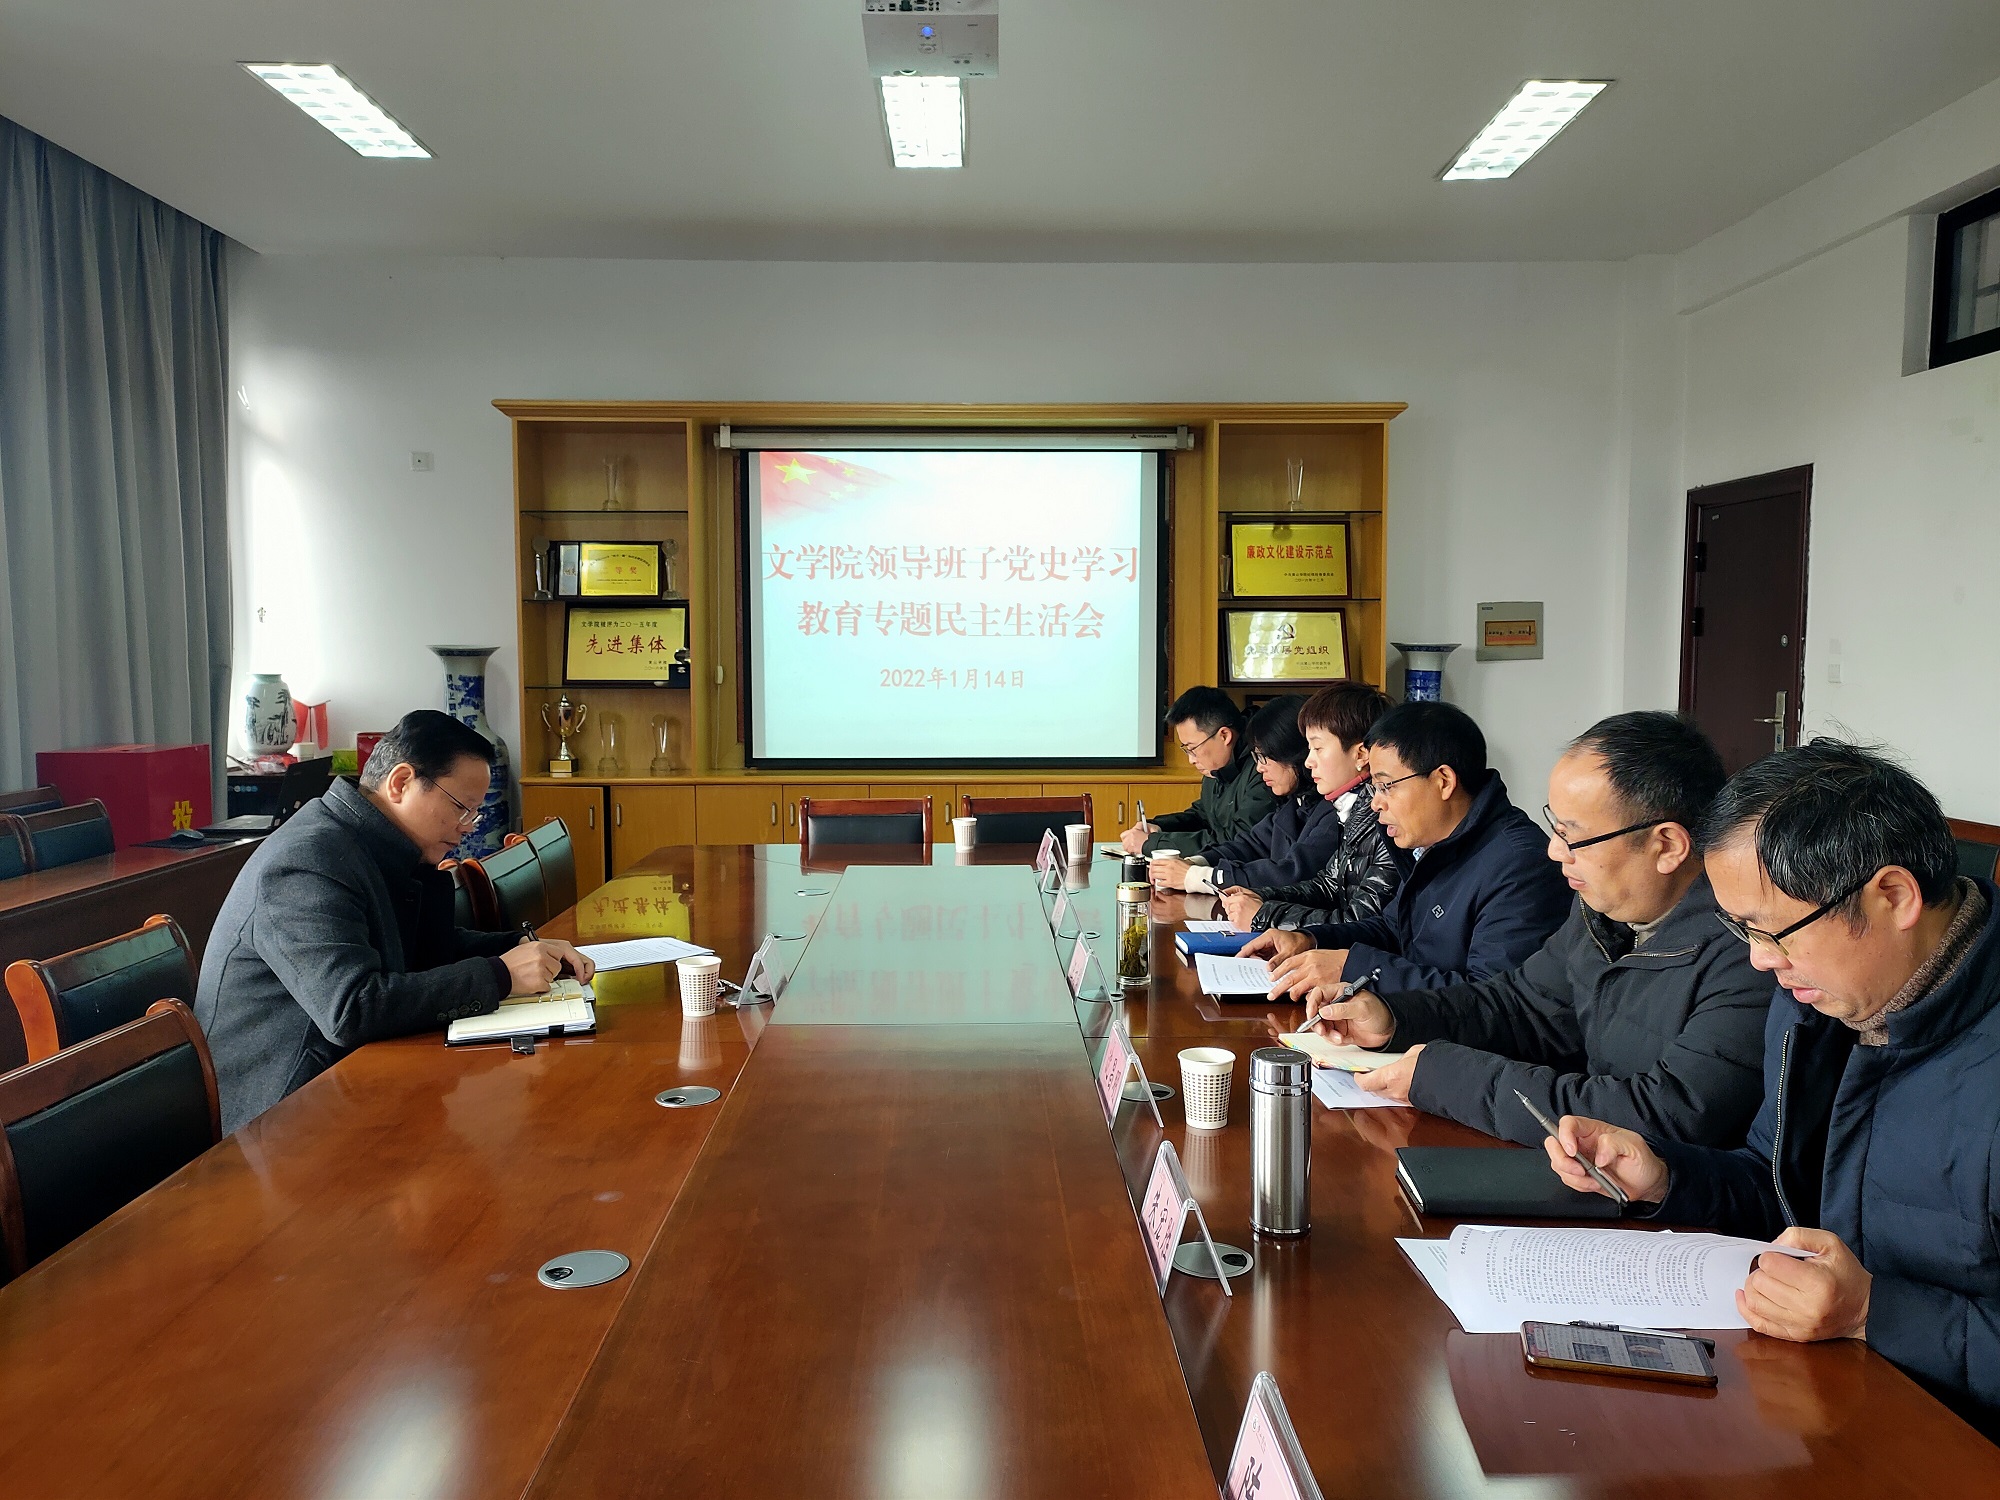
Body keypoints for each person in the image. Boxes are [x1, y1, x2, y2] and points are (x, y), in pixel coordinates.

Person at [1543, 741, 2000, 1441]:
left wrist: (1875, 1312)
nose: (1759, 959)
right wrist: (1666, 1175)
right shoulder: (1817, 1004)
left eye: (1774, 931)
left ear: (1893, 896)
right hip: (1828, 1399)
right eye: (1741, 928)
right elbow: (1778, 1186)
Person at [1298, 711, 1769, 1147]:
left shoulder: (1751, 955)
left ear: (1665, 845)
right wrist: (1393, 1018)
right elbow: (1520, 1006)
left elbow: (1666, 1114)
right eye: (1555, 826)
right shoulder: (1599, 914)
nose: (1554, 851)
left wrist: (1448, 1077)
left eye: (1573, 835)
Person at [195, 710, 595, 1132]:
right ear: (401, 782)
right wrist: (501, 975)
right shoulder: (308, 860)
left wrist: (519, 948)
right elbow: (351, 1008)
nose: (468, 829)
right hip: (282, 1116)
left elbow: (421, 949)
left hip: (352, 1083)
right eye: (461, 808)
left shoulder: (372, 843)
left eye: (474, 814)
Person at [1244, 700, 1569, 998]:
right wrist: (1311, 940)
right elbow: (1392, 929)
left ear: (1443, 781)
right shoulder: (1433, 841)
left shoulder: (1519, 865)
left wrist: (1353, 968)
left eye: (1386, 786)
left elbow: (1492, 1002)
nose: (1375, 803)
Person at [1221, 682, 1400, 931]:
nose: (1308, 762)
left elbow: (1360, 923)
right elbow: (1327, 886)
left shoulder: (1386, 819)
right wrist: (1260, 896)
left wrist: (1264, 914)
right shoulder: (1355, 809)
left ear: (1360, 755)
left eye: (1318, 748)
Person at [1147, 696, 1345, 895]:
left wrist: (1197, 876)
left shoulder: (1334, 811)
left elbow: (1291, 873)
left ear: (1292, 753)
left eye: (1263, 756)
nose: (1259, 767)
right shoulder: (1295, 803)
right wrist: (1196, 862)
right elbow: (1250, 844)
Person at [1120, 686, 1279, 856]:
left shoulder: (1265, 770)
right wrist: (1158, 827)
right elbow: (1203, 817)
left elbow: (1238, 841)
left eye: (1193, 748)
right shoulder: (1217, 767)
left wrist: (1154, 843)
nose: (1191, 759)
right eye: (1187, 750)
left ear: (1224, 736)